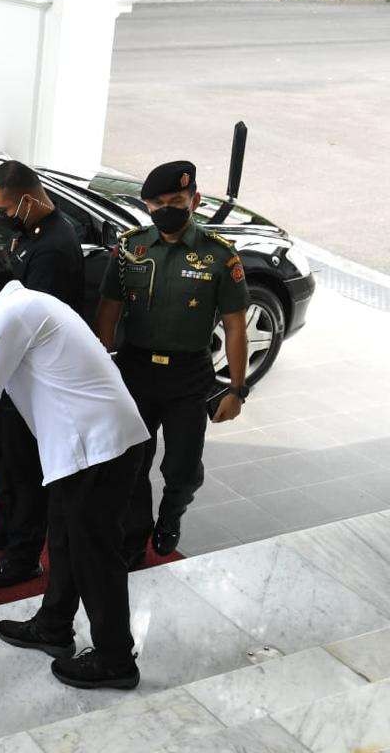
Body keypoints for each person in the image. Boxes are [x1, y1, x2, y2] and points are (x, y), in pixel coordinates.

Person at [0, 240, 149, 690]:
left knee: (95, 554)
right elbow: (3, 369)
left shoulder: (13, 315)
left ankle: (116, 659)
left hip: (96, 449)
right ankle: (53, 625)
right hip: (92, 445)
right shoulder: (28, 302)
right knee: (65, 540)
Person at [96, 160, 249, 567]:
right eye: (157, 203)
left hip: (188, 376)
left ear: (195, 200)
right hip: (135, 372)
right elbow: (109, 310)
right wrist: (101, 366)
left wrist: (236, 390)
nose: (167, 209)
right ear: (147, 206)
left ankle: (171, 515)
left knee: (182, 468)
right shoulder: (131, 248)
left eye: (176, 201)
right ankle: (133, 537)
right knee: (131, 463)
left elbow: (235, 326)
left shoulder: (219, 256)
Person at [0, 160, 85, 588]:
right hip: (10, 367)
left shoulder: (54, 249)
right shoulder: (27, 235)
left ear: (27, 199)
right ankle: (2, 526)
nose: (2, 218)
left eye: (5, 210)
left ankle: (23, 555)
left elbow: (27, 329)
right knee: (6, 459)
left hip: (33, 379)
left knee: (26, 472)